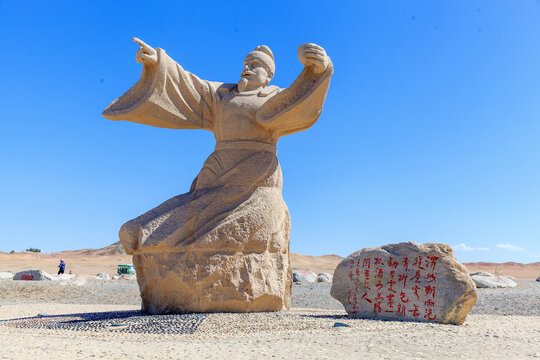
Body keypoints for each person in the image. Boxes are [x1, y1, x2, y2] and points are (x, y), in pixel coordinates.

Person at [103, 38, 333, 254]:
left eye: (255, 65)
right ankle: (144, 233)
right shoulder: (222, 94)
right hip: (219, 167)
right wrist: (159, 62)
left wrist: (320, 70)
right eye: (246, 64)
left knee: (256, 211)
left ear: (269, 75)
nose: (248, 68)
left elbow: (304, 103)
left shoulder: (276, 97)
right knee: (197, 208)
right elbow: (189, 85)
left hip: (257, 170)